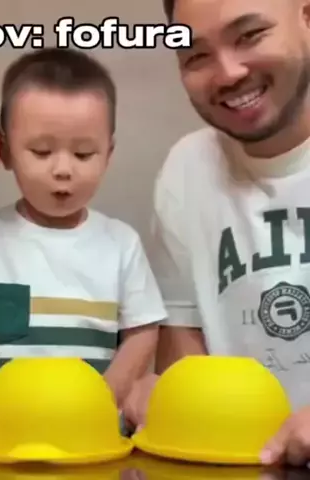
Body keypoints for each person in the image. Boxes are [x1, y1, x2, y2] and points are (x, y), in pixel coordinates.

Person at [0, 47, 166, 428]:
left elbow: (142, 332)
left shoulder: (122, 243)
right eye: (41, 151)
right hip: (0, 437)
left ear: (108, 154)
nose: (63, 169)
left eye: (84, 154)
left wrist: (101, 402)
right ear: (5, 151)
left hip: (93, 437)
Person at [124, 0, 310, 467]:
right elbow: (186, 360)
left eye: (250, 36)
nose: (227, 73)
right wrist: (163, 398)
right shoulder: (187, 169)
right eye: (196, 56)